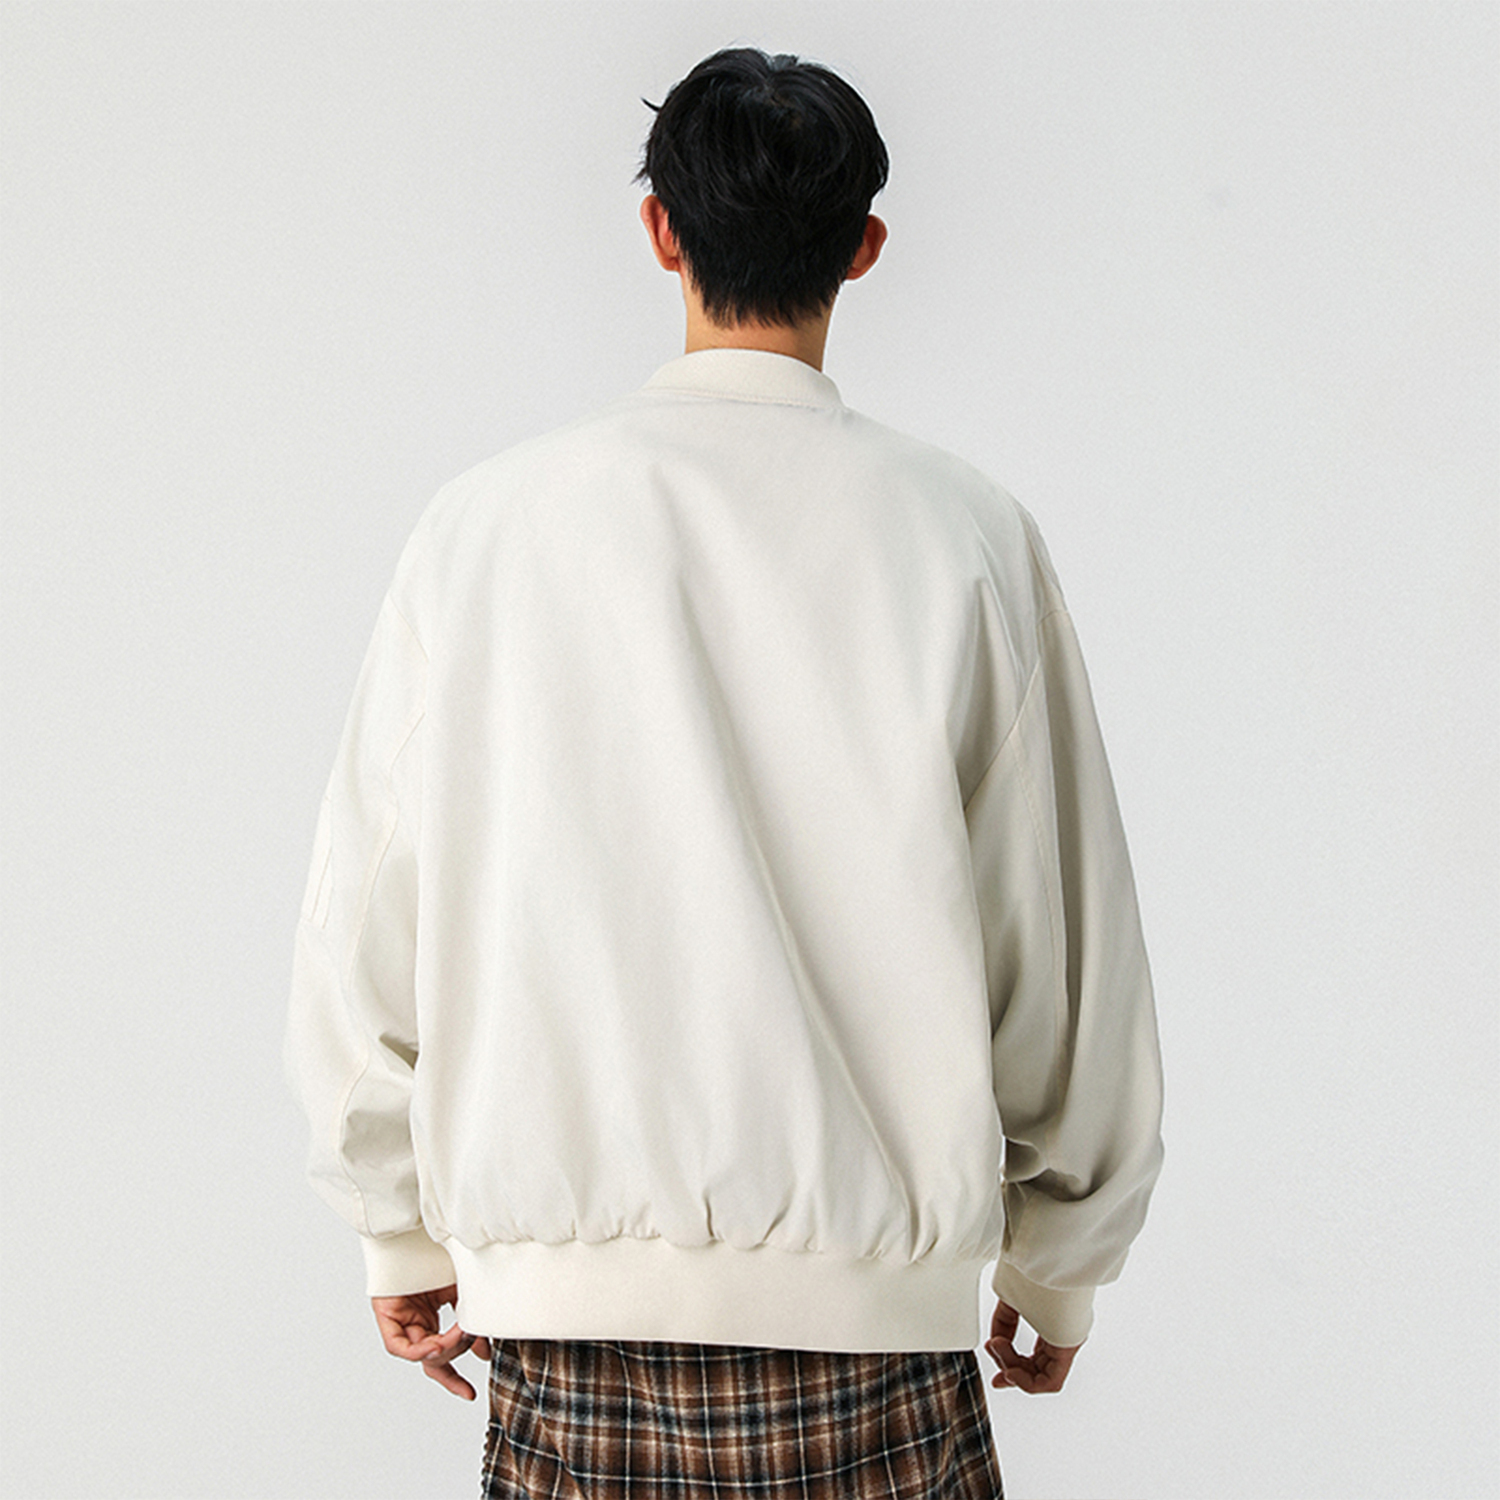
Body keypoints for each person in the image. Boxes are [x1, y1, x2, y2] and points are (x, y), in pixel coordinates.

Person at [284, 45, 1165, 1498]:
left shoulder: (486, 531)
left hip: (569, 1344)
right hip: (877, 1357)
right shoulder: (964, 536)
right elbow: (1061, 933)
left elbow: (368, 913)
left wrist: (397, 1221)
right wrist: (1060, 1262)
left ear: (660, 231)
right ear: (864, 247)